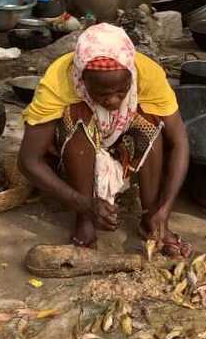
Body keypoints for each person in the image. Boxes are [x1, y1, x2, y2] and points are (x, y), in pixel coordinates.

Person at [18, 23, 191, 255]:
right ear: (83, 79)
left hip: (121, 139)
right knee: (76, 115)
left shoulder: (147, 73)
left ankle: (152, 219)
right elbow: (28, 161)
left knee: (153, 123)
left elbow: (179, 142)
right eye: (102, 94)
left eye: (122, 91)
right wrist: (83, 204)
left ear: (131, 75)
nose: (113, 101)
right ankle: (84, 220)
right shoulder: (60, 79)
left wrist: (165, 207)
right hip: (75, 148)